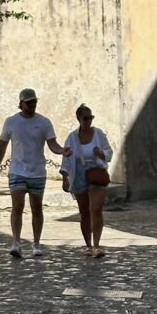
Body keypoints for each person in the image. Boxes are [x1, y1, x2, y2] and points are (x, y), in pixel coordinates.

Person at [0, 87, 71, 258]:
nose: (32, 105)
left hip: (37, 172)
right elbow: (2, 144)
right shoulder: (11, 122)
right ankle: (16, 242)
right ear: (21, 104)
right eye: (28, 102)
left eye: (34, 102)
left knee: (37, 209)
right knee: (17, 207)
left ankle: (36, 243)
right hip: (17, 171)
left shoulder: (44, 122)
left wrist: (63, 151)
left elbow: (52, 144)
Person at [60, 103, 114, 257]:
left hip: (96, 173)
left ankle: (97, 245)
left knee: (96, 209)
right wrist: (65, 176)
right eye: (86, 118)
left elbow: (109, 151)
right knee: (84, 212)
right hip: (79, 175)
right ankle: (88, 246)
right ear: (79, 119)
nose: (89, 121)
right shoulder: (72, 137)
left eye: (91, 117)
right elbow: (66, 156)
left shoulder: (98, 134)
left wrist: (101, 153)